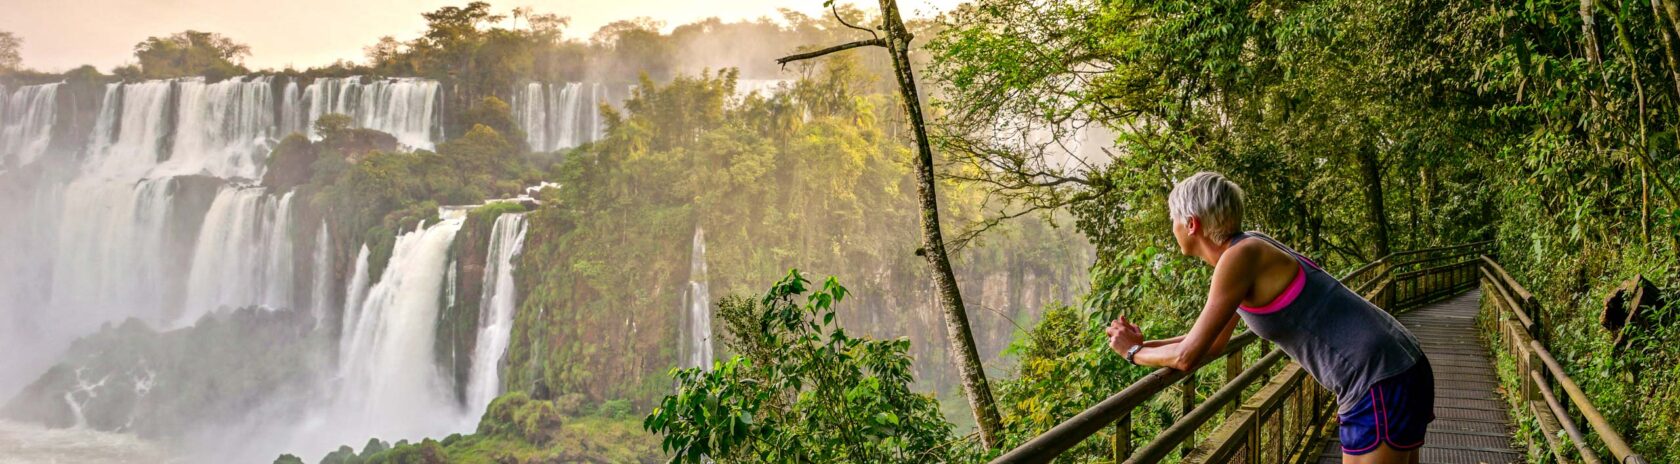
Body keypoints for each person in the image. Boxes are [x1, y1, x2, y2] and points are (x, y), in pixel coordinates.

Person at [1104, 172, 1434, 464]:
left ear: (1192, 224)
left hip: (1377, 378)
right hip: (1397, 365)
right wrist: (1144, 344)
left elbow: (1187, 356)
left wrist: (1131, 353)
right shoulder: (1249, 247)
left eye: (1172, 219)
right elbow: (1212, 342)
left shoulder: (1240, 257)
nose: (1171, 227)